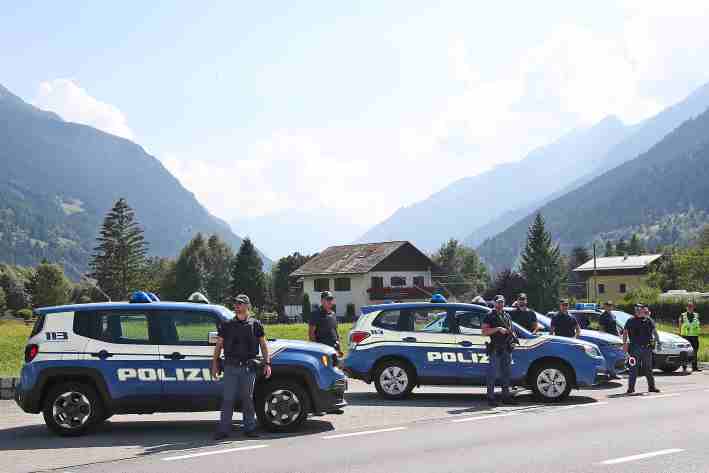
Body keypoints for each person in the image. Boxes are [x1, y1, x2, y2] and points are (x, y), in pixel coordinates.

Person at [212, 294, 272, 440]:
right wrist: (214, 364)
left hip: (248, 368)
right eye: (236, 303)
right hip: (231, 367)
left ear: (247, 306)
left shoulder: (255, 324)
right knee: (228, 399)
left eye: (240, 303)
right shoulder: (227, 324)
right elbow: (219, 345)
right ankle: (223, 430)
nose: (237, 305)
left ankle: (249, 428)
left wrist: (267, 363)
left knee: (247, 399)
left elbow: (263, 345)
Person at [482, 295, 517, 407]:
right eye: (498, 302)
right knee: (492, 374)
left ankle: (505, 397)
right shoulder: (489, 315)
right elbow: (484, 331)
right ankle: (490, 397)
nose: (500, 304)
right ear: (494, 302)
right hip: (495, 348)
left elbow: (511, 330)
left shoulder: (506, 315)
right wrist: (497, 329)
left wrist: (513, 338)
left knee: (506, 374)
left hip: (506, 347)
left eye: (502, 302)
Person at [623, 304, 661, 394]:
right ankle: (631, 388)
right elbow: (625, 332)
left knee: (648, 369)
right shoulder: (630, 320)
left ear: (643, 310)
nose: (638, 311)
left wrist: (658, 342)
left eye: (639, 309)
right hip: (634, 349)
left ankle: (651, 387)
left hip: (647, 349)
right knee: (633, 369)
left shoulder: (648, 320)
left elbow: (654, 332)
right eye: (636, 310)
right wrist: (624, 344)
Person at [309, 291, 343, 357]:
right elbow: (311, 334)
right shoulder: (315, 314)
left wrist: (339, 349)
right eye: (328, 299)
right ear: (322, 301)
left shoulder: (333, 314)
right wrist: (316, 350)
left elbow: (335, 331)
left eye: (331, 299)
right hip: (323, 350)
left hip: (334, 349)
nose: (330, 301)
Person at [597, 301, 621, 380]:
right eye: (607, 305)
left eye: (610, 305)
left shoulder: (613, 315)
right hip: (607, 339)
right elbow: (601, 328)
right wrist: (603, 338)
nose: (609, 307)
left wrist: (619, 335)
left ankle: (613, 373)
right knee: (608, 356)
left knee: (614, 356)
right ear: (605, 306)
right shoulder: (603, 316)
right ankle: (608, 373)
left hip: (614, 338)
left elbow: (615, 326)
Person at [679, 302, 702, 373]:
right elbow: (679, 325)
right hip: (685, 336)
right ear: (686, 308)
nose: (690, 308)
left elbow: (699, 324)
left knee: (695, 352)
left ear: (693, 307)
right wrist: (681, 335)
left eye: (691, 307)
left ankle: (694, 367)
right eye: (688, 307)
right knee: (685, 352)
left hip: (694, 336)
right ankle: (684, 367)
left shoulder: (696, 315)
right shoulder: (682, 315)